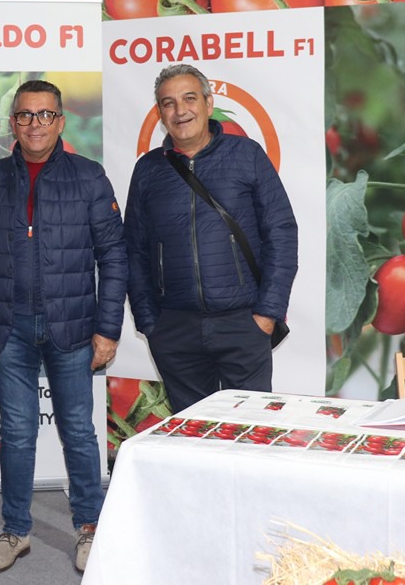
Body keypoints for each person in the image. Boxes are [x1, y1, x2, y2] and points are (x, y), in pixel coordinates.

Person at [0, 79, 126, 575]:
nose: (35, 124)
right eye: (25, 115)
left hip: (73, 327)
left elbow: (114, 257)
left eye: (45, 115)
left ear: (61, 121)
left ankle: (90, 528)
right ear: (12, 123)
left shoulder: (89, 176)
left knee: (78, 431)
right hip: (7, 328)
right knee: (16, 433)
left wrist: (108, 328)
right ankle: (15, 530)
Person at [124, 64, 298, 414]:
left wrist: (267, 313)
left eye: (189, 98)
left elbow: (281, 232)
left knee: (249, 430)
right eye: (169, 103)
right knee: (191, 433)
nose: (180, 110)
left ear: (208, 103)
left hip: (242, 323)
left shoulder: (246, 155)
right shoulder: (147, 170)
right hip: (175, 330)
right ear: (160, 113)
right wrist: (150, 323)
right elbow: (134, 250)